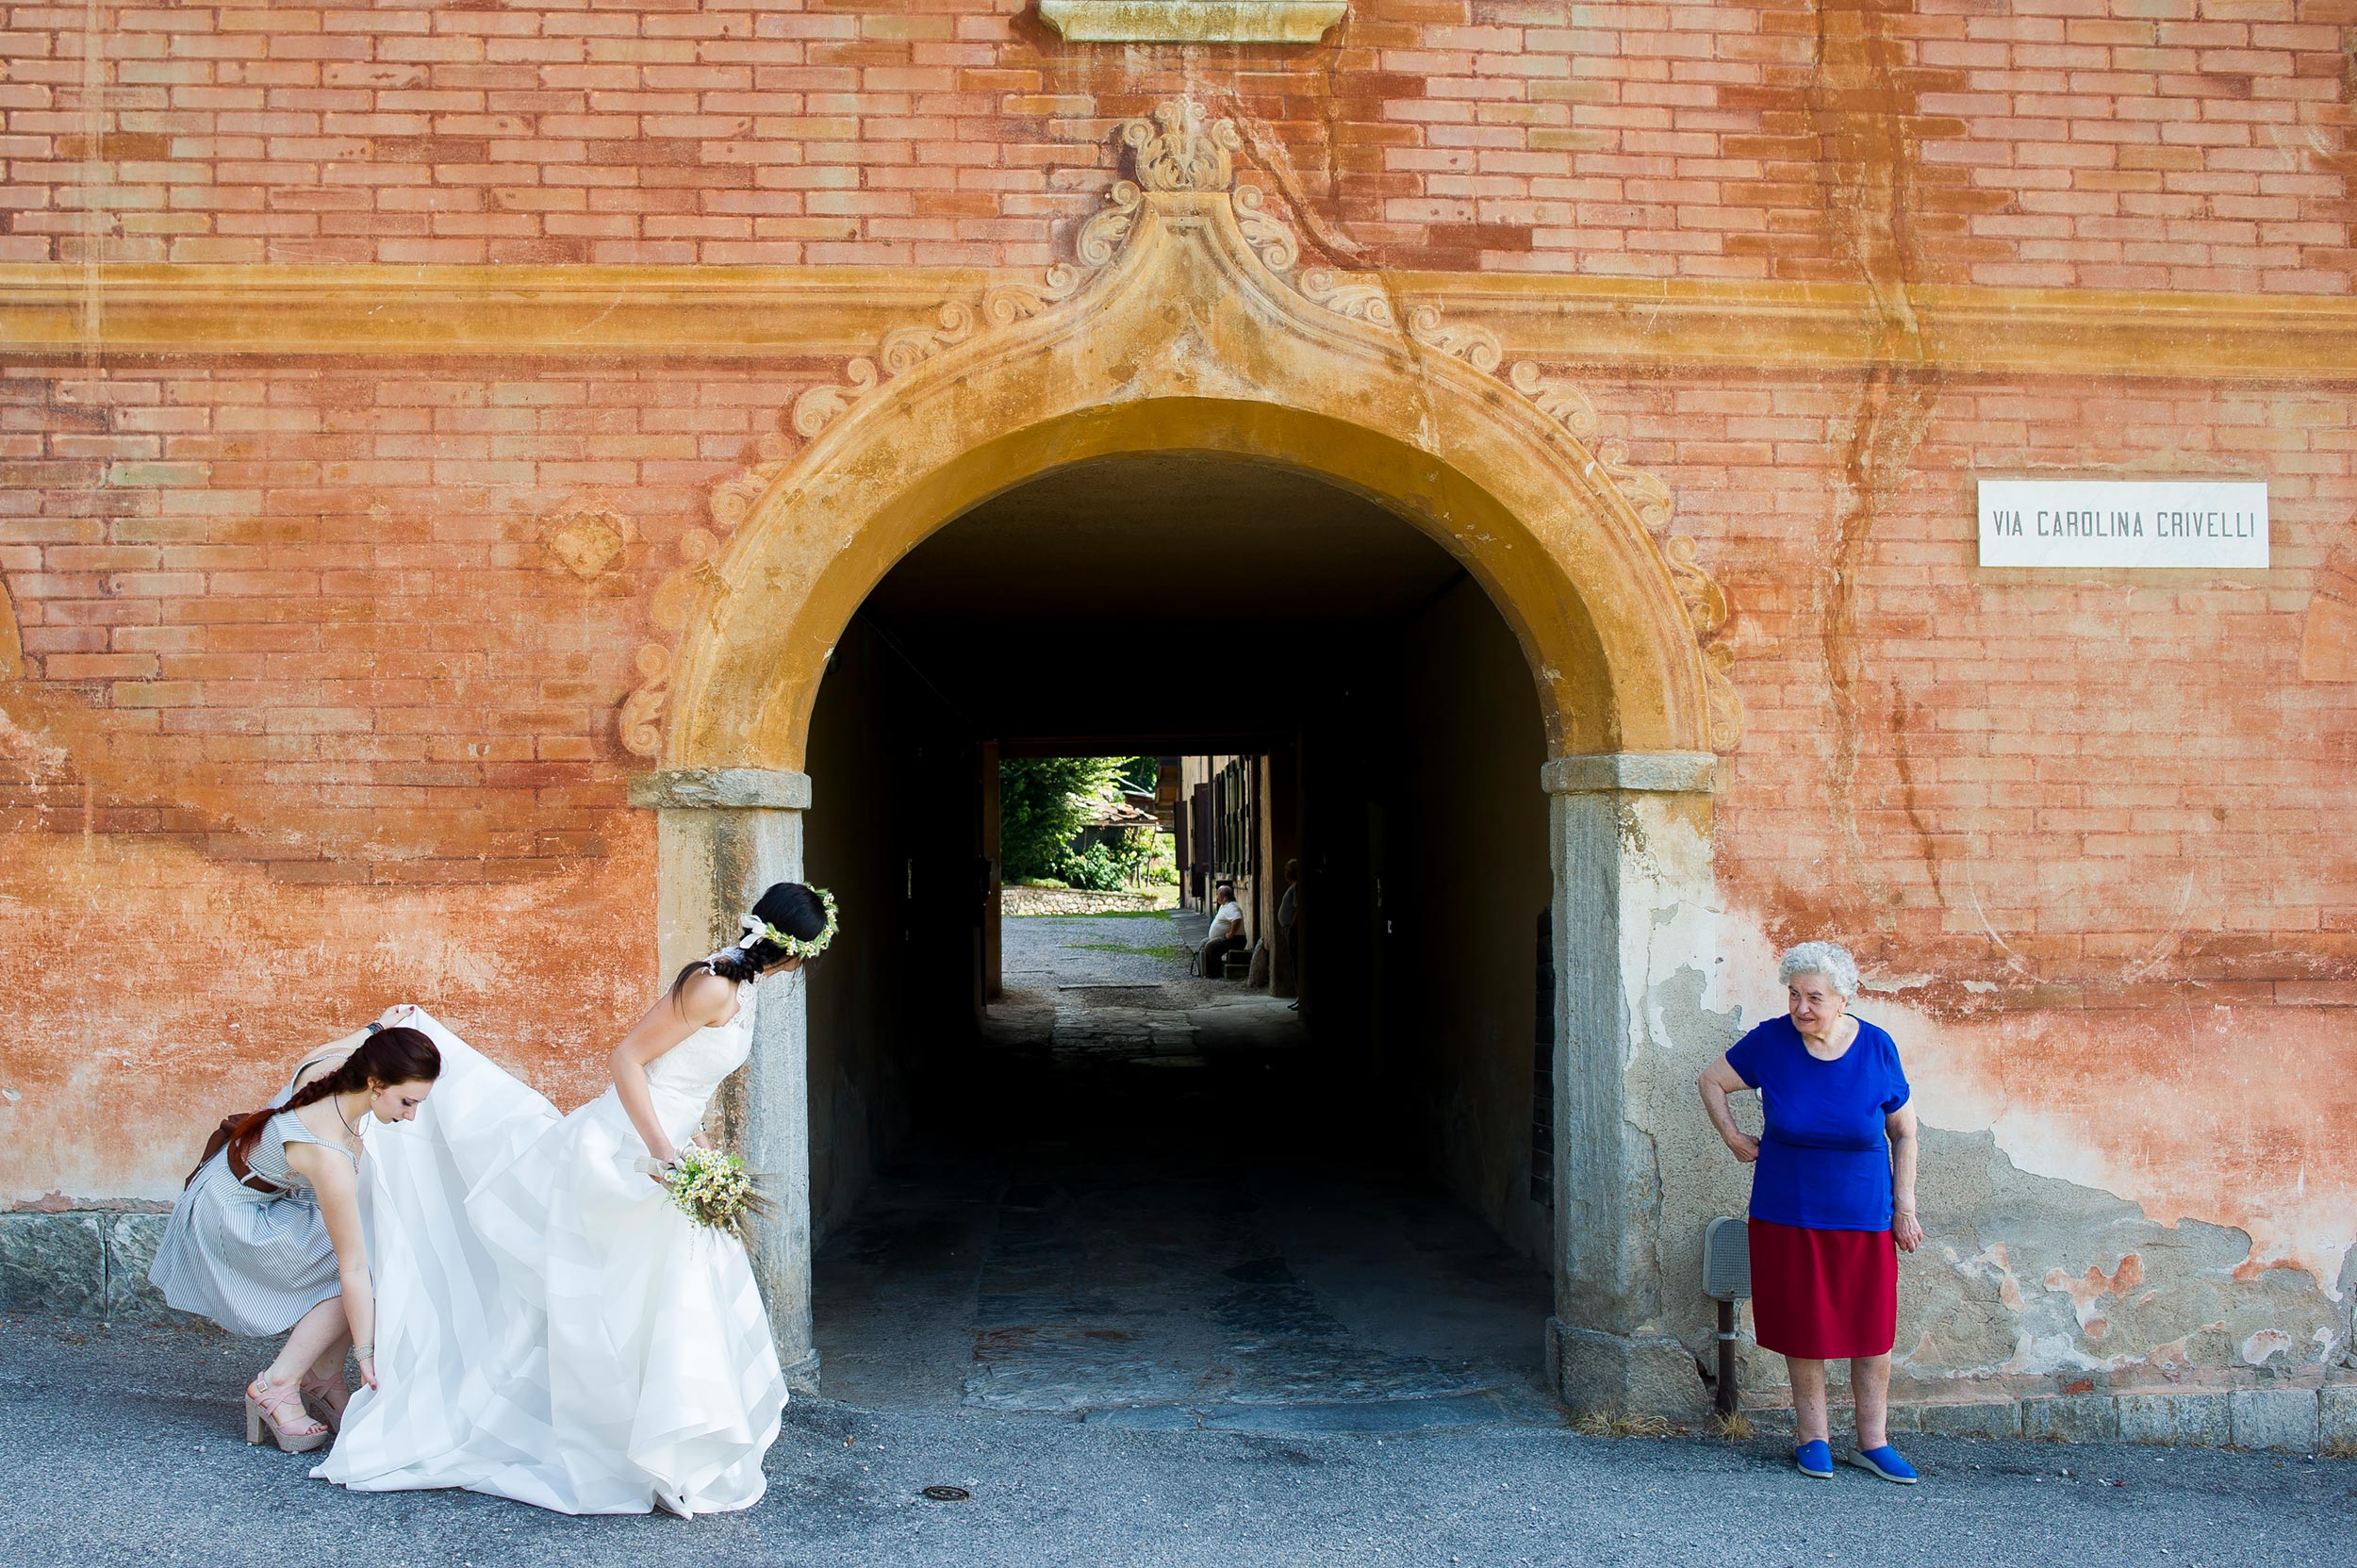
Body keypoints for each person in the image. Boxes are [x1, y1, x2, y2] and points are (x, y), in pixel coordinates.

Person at [317, 882, 835, 1517]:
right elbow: (628, 1061)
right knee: (602, 1298)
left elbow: (686, 1083)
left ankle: (658, 1451)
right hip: (622, 1151)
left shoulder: (743, 990)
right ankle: (605, 1443)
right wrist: (664, 1154)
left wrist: (699, 1147)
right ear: (792, 948)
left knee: (665, 1296)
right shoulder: (712, 984)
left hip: (667, 1147)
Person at [150, 1017, 442, 1452]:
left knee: (373, 1249)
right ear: (375, 1083)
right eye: (406, 1101)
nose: (410, 1115)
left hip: (262, 1191)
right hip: (234, 1212)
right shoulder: (329, 1156)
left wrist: (383, 1023)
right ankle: (279, 1383)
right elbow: (354, 1269)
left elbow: (363, 1037)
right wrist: (368, 1353)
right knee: (361, 1271)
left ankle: (323, 1377)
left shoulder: (331, 1066)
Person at [1696, 940, 1921, 1484]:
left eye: (1813, 997)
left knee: (1872, 1330)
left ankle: (1873, 1442)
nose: (1800, 1007)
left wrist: (1904, 1207)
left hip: (1864, 1213)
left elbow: (1904, 1130)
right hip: (1787, 1212)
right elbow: (1711, 1081)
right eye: (1794, 995)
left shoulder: (1876, 1047)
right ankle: (1812, 1438)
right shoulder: (1772, 1042)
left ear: (1844, 998)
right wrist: (1731, 1136)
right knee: (1806, 1326)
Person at [1200, 879, 1247, 979]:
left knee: (1210, 946)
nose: (1216, 897)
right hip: (1227, 937)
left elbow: (1237, 919)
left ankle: (1216, 972)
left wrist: (1230, 934)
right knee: (1203, 943)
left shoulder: (1231, 906)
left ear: (1223, 896)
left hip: (1236, 939)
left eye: (1218, 894)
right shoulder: (1224, 906)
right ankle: (1205, 970)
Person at [1276, 859, 1302, 1010]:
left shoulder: (1297, 887)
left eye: (1287, 870)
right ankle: (1299, 996)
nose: (1285, 874)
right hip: (1289, 929)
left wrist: (1292, 927)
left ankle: (1302, 997)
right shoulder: (1293, 887)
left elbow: (1299, 909)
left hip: (1293, 931)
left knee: (1297, 963)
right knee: (1294, 963)